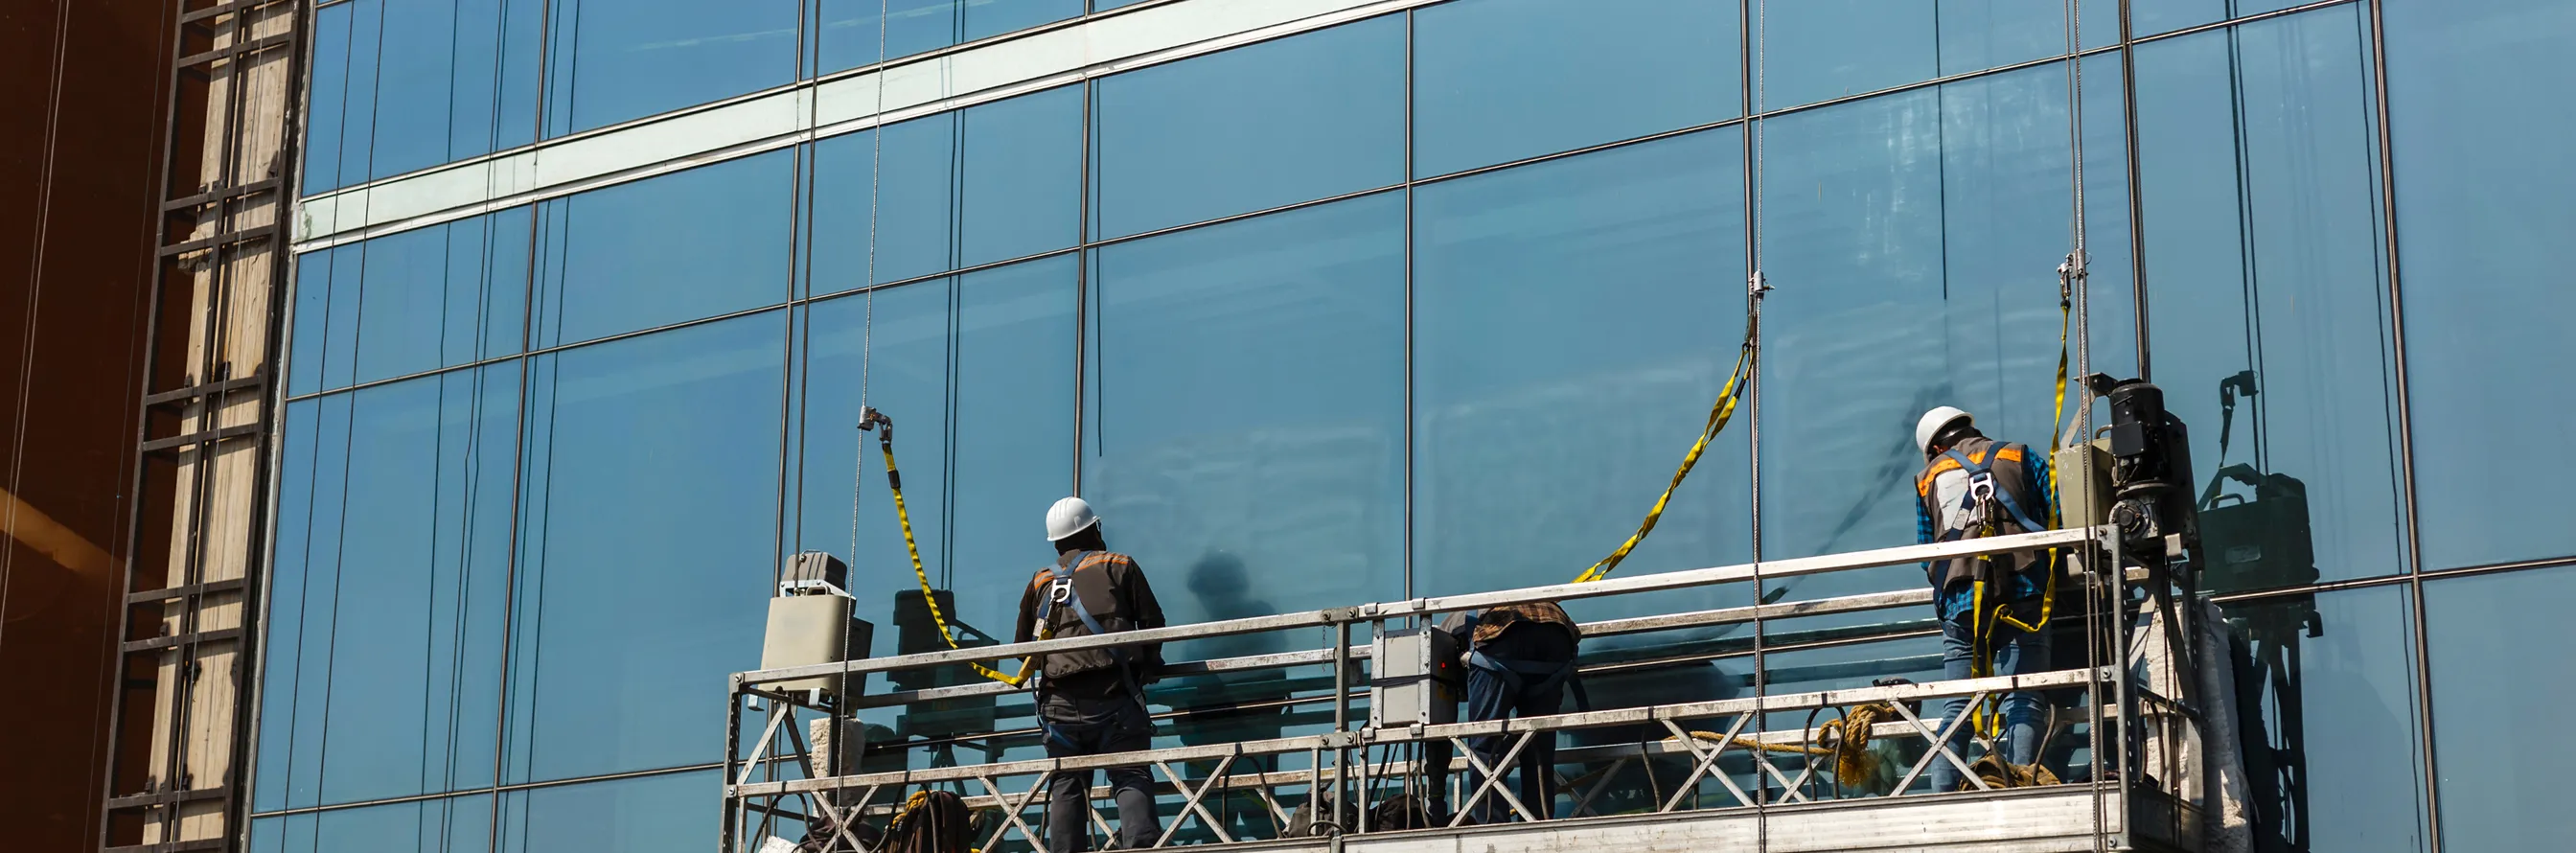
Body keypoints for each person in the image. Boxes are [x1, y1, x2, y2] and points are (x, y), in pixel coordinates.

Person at [1912, 405, 2056, 793]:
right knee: (2024, 694)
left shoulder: (1928, 478)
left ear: (1937, 446)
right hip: (2024, 592)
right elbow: (2055, 515)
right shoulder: (2020, 454)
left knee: (1958, 703)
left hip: (1961, 599)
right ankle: (2020, 783)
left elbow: (1928, 551)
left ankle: (1942, 794)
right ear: (1970, 427)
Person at [1015, 496, 1167, 852]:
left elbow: (1022, 648)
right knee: (1130, 774)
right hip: (1114, 696)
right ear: (1093, 530)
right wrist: (1148, 666)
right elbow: (1152, 626)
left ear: (1056, 542)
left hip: (1059, 708)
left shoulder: (1040, 582)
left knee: (1067, 782)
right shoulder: (1120, 565)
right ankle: (1141, 847)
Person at [1439, 602, 1581, 823]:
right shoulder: (1482, 608)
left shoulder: (1445, 634)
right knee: (1538, 743)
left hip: (1501, 634)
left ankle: (1491, 825)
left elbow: (1443, 695)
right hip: (1557, 635)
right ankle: (1538, 819)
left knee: (1485, 743)